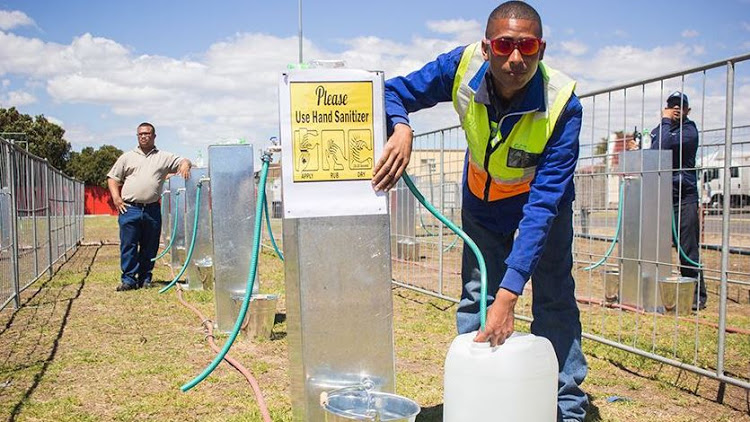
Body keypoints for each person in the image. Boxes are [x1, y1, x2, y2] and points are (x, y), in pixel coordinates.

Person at [372, 2, 587, 420]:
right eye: (504, 45)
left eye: (527, 46)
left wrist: (510, 293)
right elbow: (391, 90)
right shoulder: (461, 66)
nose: (516, 58)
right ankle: (478, 398)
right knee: (477, 294)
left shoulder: (564, 106)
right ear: (487, 48)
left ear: (542, 49)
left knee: (554, 297)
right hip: (482, 201)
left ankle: (565, 406)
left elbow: (543, 206)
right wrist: (401, 126)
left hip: (541, 207)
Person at [107, 122, 191, 291]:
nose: (144, 136)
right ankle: (129, 280)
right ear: (137, 136)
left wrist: (185, 164)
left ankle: (145, 278)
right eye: (140, 134)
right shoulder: (127, 157)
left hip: (152, 209)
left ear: (154, 136)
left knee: (150, 246)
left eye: (147, 133)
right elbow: (113, 178)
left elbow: (183, 161)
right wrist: (116, 198)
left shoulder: (163, 157)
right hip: (129, 209)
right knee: (128, 245)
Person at [650, 92, 706, 311]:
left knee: (687, 248)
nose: (675, 108)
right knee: (658, 246)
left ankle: (696, 295)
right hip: (661, 196)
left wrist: (664, 123)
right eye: (672, 105)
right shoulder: (660, 129)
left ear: (687, 110)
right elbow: (655, 153)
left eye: (680, 106)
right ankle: (658, 291)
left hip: (684, 197)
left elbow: (662, 147)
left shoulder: (689, 131)